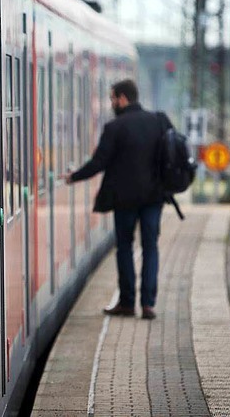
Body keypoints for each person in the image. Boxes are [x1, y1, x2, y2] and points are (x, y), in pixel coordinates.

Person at [64, 79, 167, 320]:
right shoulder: (159, 121)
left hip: (125, 200)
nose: (111, 103)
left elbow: (98, 163)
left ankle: (127, 302)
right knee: (151, 247)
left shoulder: (115, 128)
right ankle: (149, 304)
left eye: (112, 99)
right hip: (154, 197)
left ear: (123, 98)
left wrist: (73, 177)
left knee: (125, 248)